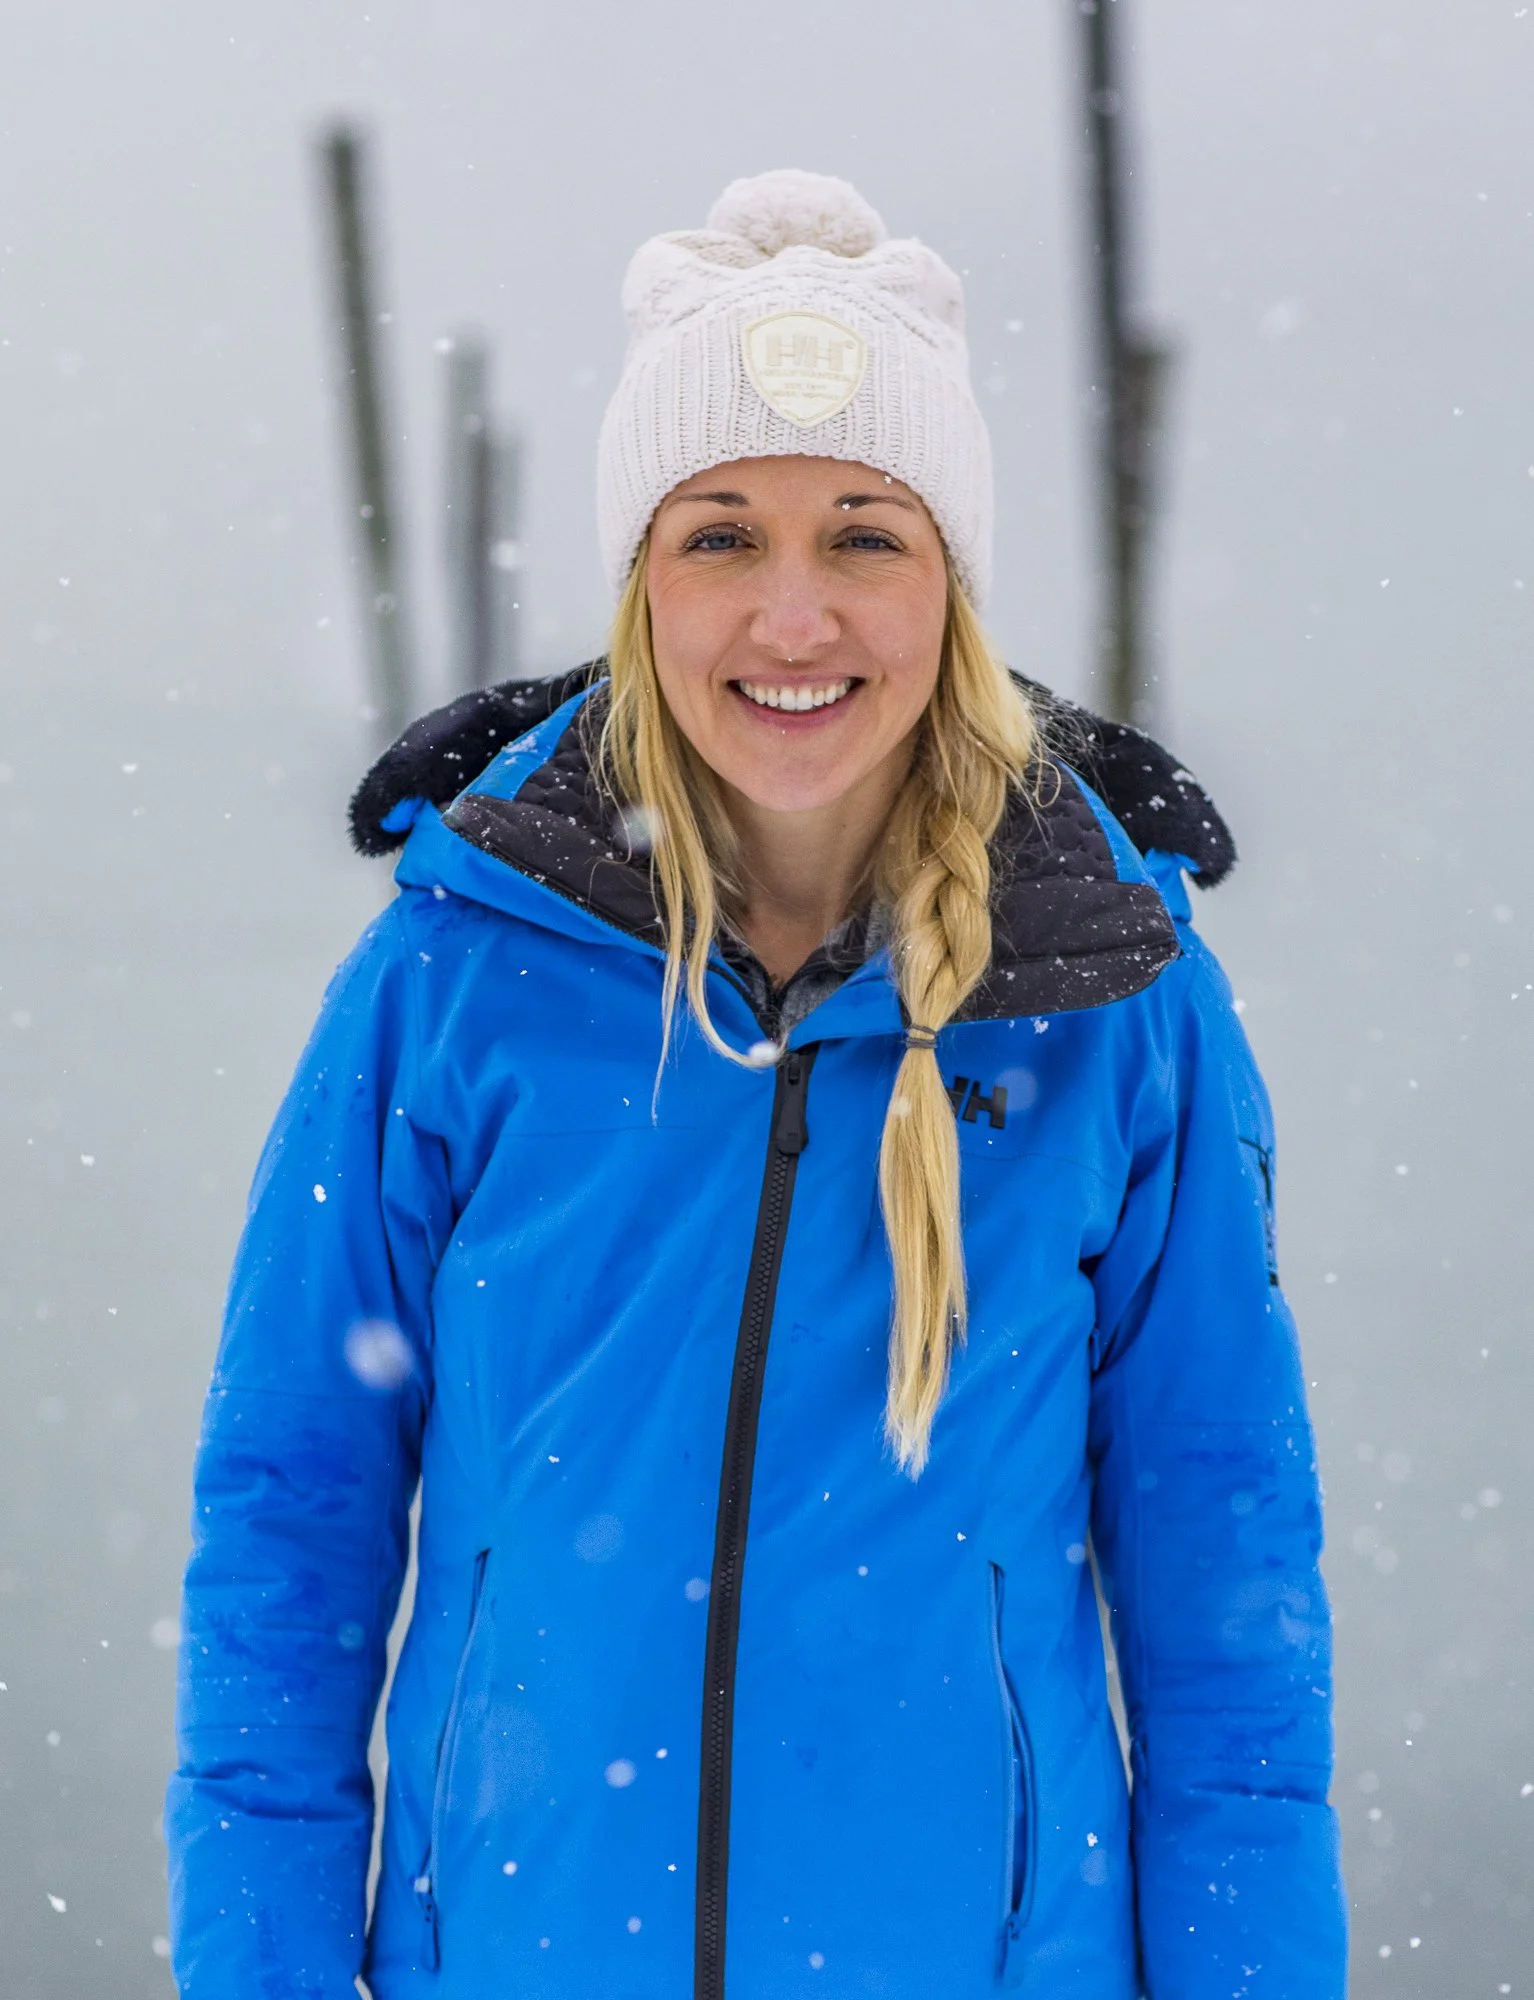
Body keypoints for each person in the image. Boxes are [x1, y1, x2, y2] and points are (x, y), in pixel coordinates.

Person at [166, 170, 1346, 1998]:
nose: (793, 621)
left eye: (864, 534)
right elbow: (287, 1523)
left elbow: (1227, 1597)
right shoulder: (453, 977)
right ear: (638, 583)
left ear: (950, 584)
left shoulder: (1115, 1002)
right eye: (719, 535)